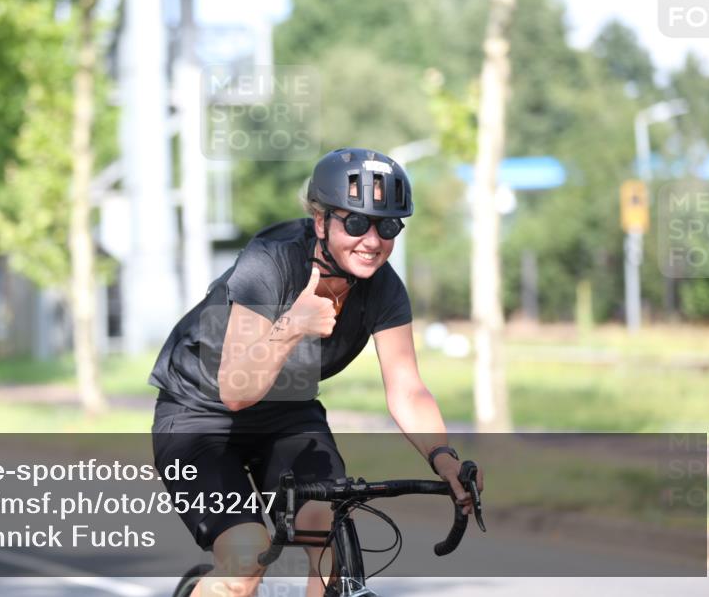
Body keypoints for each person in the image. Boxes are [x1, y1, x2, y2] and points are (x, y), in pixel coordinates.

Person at [150, 148, 483, 597]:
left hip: (288, 413)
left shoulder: (383, 287)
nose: (372, 240)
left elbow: (406, 387)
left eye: (387, 226)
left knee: (328, 536)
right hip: (200, 416)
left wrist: (444, 458)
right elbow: (234, 391)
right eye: (356, 222)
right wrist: (293, 327)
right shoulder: (271, 262)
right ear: (320, 219)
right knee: (247, 557)